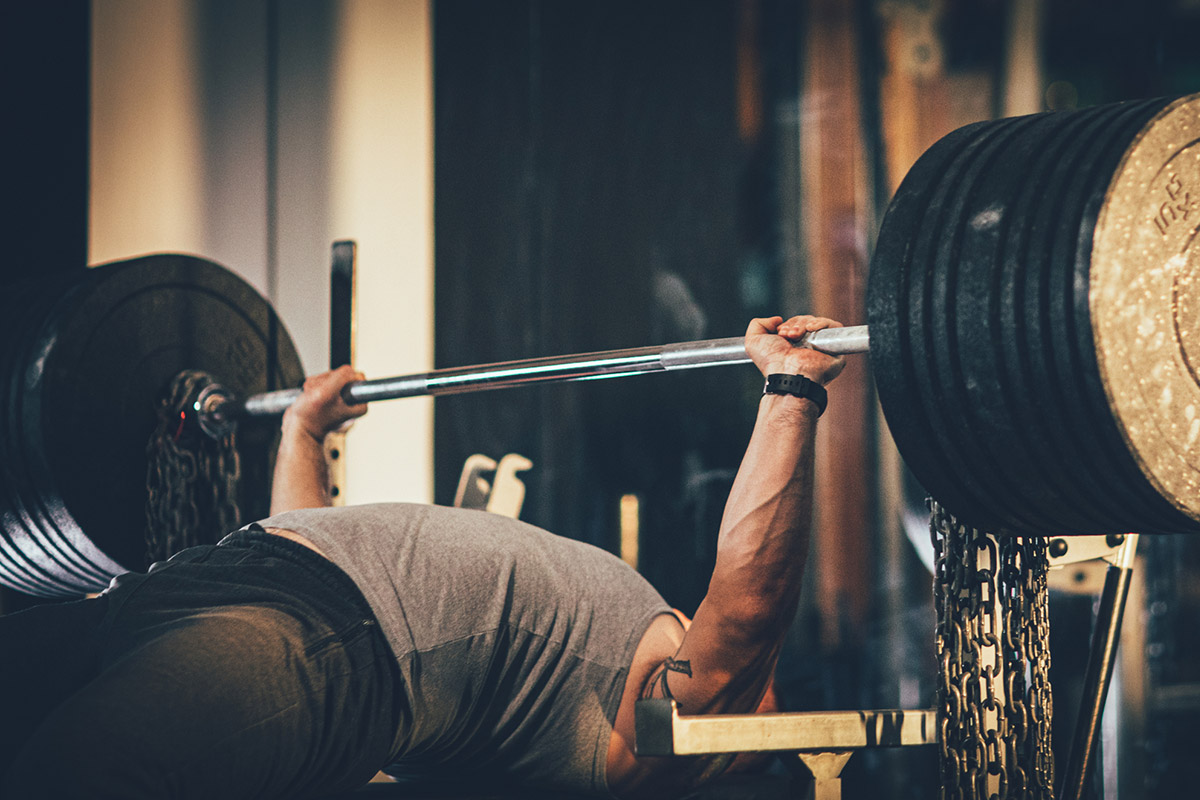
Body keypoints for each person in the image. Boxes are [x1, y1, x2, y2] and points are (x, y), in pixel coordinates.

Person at [0, 314, 844, 799]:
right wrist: (303, 431)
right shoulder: (633, 642)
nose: (764, 692)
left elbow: (747, 607)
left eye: (762, 711)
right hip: (227, 583)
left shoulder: (655, 746)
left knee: (74, 772)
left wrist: (791, 393)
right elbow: (327, 551)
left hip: (339, 654)